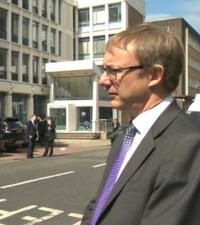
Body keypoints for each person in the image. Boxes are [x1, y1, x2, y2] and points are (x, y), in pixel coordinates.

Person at [82, 24, 200, 225]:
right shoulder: (125, 137)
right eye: (105, 70)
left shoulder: (189, 146)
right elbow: (100, 203)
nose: (103, 80)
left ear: (154, 75)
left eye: (114, 71)